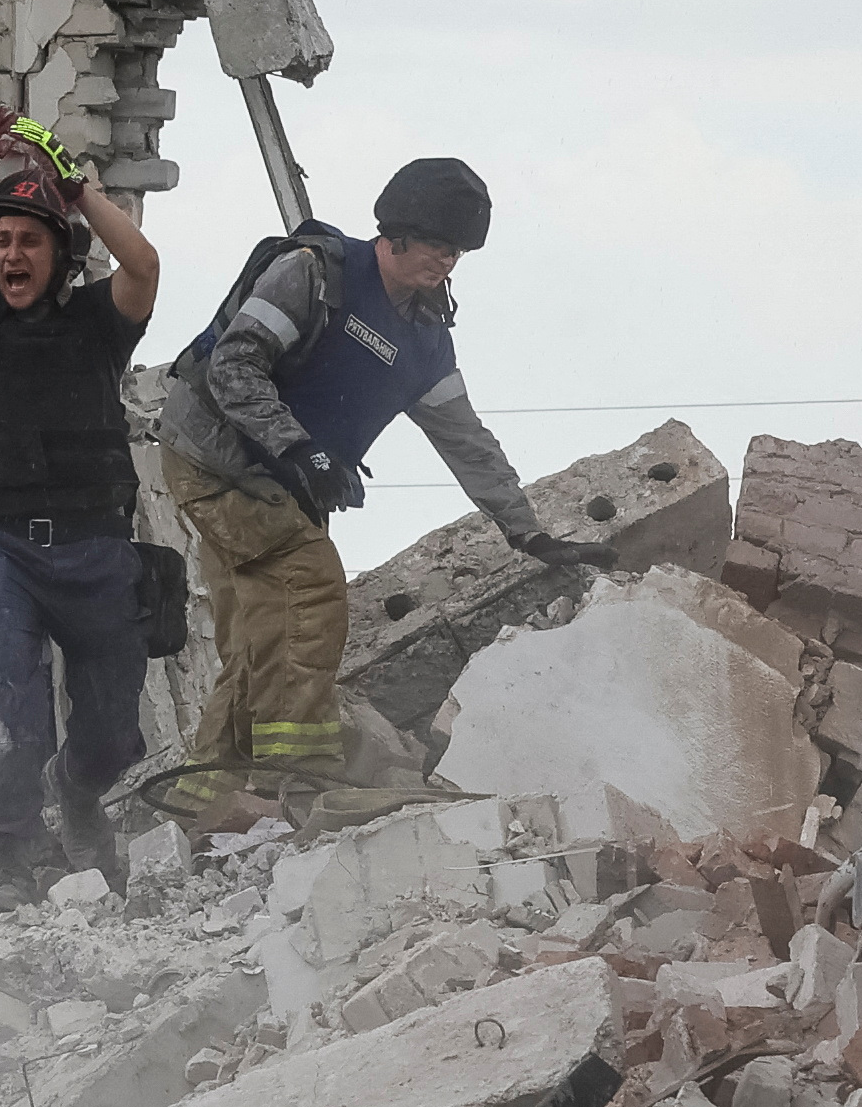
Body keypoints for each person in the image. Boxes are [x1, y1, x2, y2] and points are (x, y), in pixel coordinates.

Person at [156, 158, 615, 808]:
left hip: (286, 485)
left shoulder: (425, 340)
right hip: (212, 458)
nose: (447, 260)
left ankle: (203, 802)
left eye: (457, 251)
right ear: (396, 231)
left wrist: (529, 532)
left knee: (257, 637)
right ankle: (297, 773)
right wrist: (302, 450)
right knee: (309, 581)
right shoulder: (314, 275)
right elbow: (233, 366)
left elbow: (467, 441)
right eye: (437, 244)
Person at [0, 105, 163, 907]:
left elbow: (143, 263)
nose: (11, 254)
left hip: (95, 548)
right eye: (1, 240)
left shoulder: (97, 324)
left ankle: (77, 795)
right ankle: (14, 855)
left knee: (112, 731)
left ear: (59, 254)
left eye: (29, 241)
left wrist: (74, 187)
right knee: (5, 699)